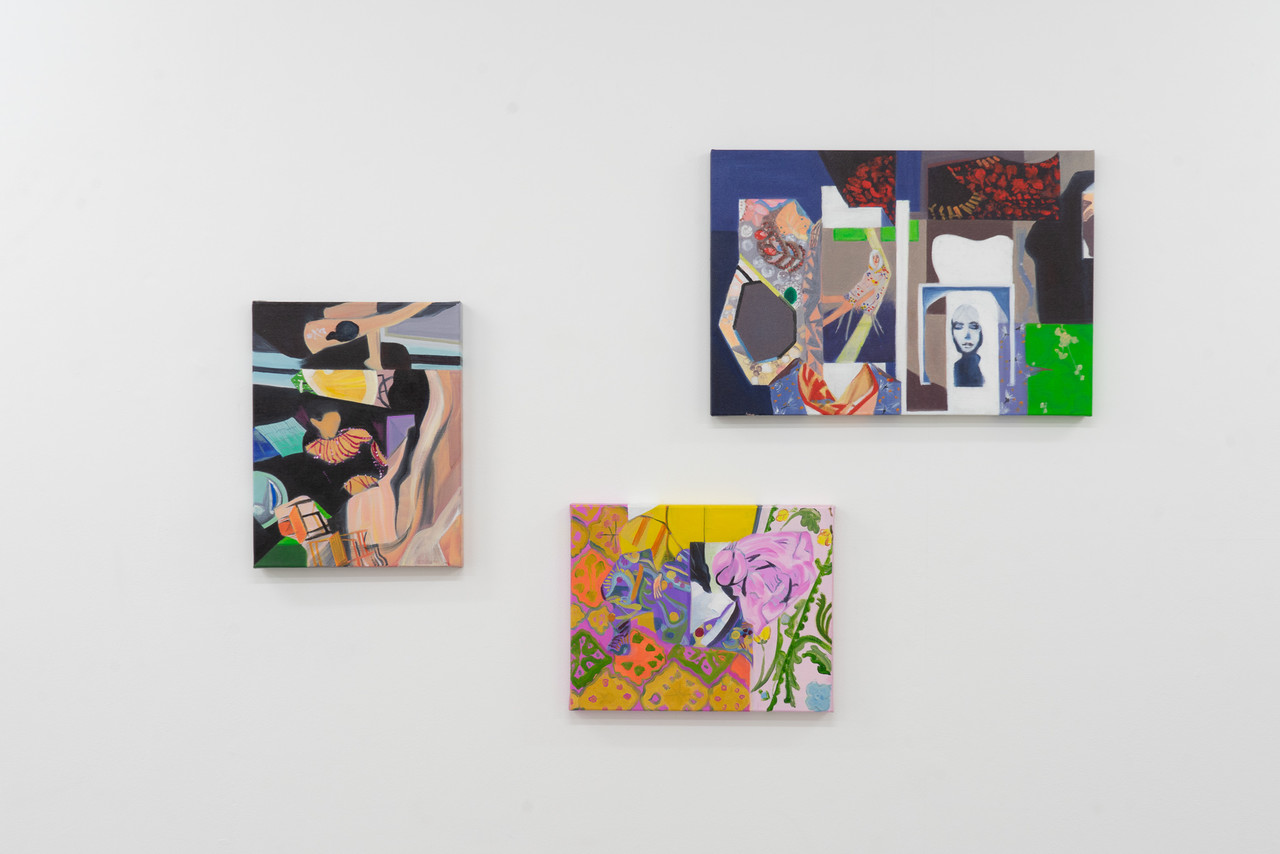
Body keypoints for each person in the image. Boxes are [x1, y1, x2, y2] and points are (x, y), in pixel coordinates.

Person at [951, 304, 984, 387]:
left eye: (973, 326)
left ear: (981, 331)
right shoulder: (956, 368)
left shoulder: (985, 367)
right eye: (959, 326)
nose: (967, 335)